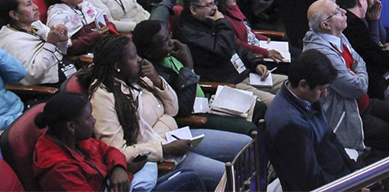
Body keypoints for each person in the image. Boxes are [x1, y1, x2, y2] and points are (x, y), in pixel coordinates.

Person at [81, 35, 251, 191]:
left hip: (177, 137)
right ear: (117, 66)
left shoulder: (138, 78)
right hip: (160, 156)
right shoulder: (103, 96)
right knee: (230, 175)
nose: (140, 60)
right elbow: (117, 151)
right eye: (133, 57)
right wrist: (164, 149)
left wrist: (156, 80)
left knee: (247, 144)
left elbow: (173, 109)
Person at [301, 0, 389, 191]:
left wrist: (357, 71)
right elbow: (357, 87)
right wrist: (358, 72)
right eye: (337, 12)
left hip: (362, 104)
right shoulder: (322, 54)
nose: (344, 12)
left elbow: (359, 62)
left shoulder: (338, 35)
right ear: (325, 24)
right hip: (347, 116)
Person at [32, 92, 207, 192]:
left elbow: (108, 151)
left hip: (118, 183)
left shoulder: (72, 139)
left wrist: (118, 168)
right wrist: (127, 174)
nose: (94, 121)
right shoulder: (58, 167)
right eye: (88, 118)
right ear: (71, 126)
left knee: (187, 176)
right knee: (189, 180)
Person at [132, 19, 267, 137]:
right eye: (164, 41)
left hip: (207, 100)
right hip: (194, 115)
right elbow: (183, 108)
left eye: (169, 35)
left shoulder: (170, 55)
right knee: (248, 129)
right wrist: (188, 66)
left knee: (259, 108)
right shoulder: (151, 73)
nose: (171, 42)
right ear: (149, 52)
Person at [174, 0, 285, 105]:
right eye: (209, 5)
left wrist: (255, 62)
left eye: (213, 3)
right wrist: (222, 23)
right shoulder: (189, 34)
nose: (215, 8)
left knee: (290, 84)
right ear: (193, 10)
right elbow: (224, 50)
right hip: (229, 84)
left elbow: (235, 45)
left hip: (245, 73)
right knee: (277, 103)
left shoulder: (207, 20)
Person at [263, 50, 357, 192]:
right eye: (322, 89)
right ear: (303, 85)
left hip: (337, 175)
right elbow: (310, 180)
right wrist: (352, 187)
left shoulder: (306, 99)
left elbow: (330, 136)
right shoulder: (289, 125)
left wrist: (355, 171)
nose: (325, 94)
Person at [0, 0, 71, 86]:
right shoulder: (10, 40)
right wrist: (51, 43)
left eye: (33, 2)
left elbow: (62, 53)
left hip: (65, 68)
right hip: (50, 84)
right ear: (14, 14)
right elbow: (32, 74)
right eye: (28, 4)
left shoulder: (35, 24)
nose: (36, 7)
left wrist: (62, 41)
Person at [210, 0, 285, 62]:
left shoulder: (233, 7)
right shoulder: (222, 20)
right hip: (253, 56)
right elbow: (239, 45)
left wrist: (262, 38)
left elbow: (247, 30)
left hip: (260, 46)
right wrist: (265, 52)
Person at [46, 0, 113, 55]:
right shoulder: (58, 17)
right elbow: (68, 48)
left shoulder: (83, 5)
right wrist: (95, 36)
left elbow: (106, 21)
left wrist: (108, 28)